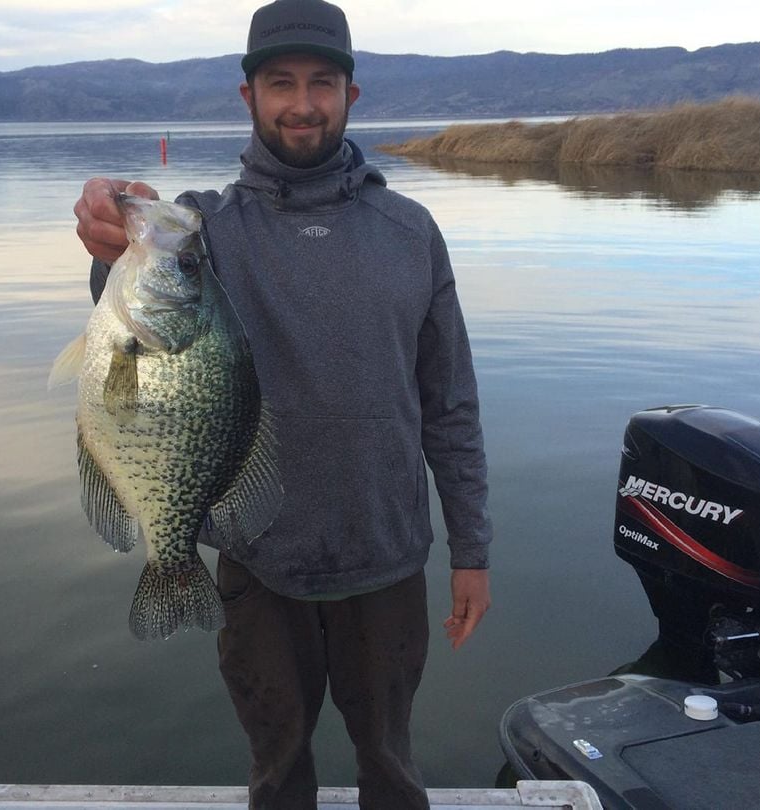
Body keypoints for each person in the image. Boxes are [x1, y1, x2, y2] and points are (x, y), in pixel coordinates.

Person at [73, 1, 492, 807]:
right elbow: (134, 305)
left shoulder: (411, 230)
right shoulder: (205, 227)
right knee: (276, 775)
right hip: (258, 562)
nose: (303, 102)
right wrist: (111, 222)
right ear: (249, 98)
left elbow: (450, 406)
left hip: (390, 558)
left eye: (321, 83)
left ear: (350, 96)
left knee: (395, 772)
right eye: (281, 83)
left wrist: (471, 547)